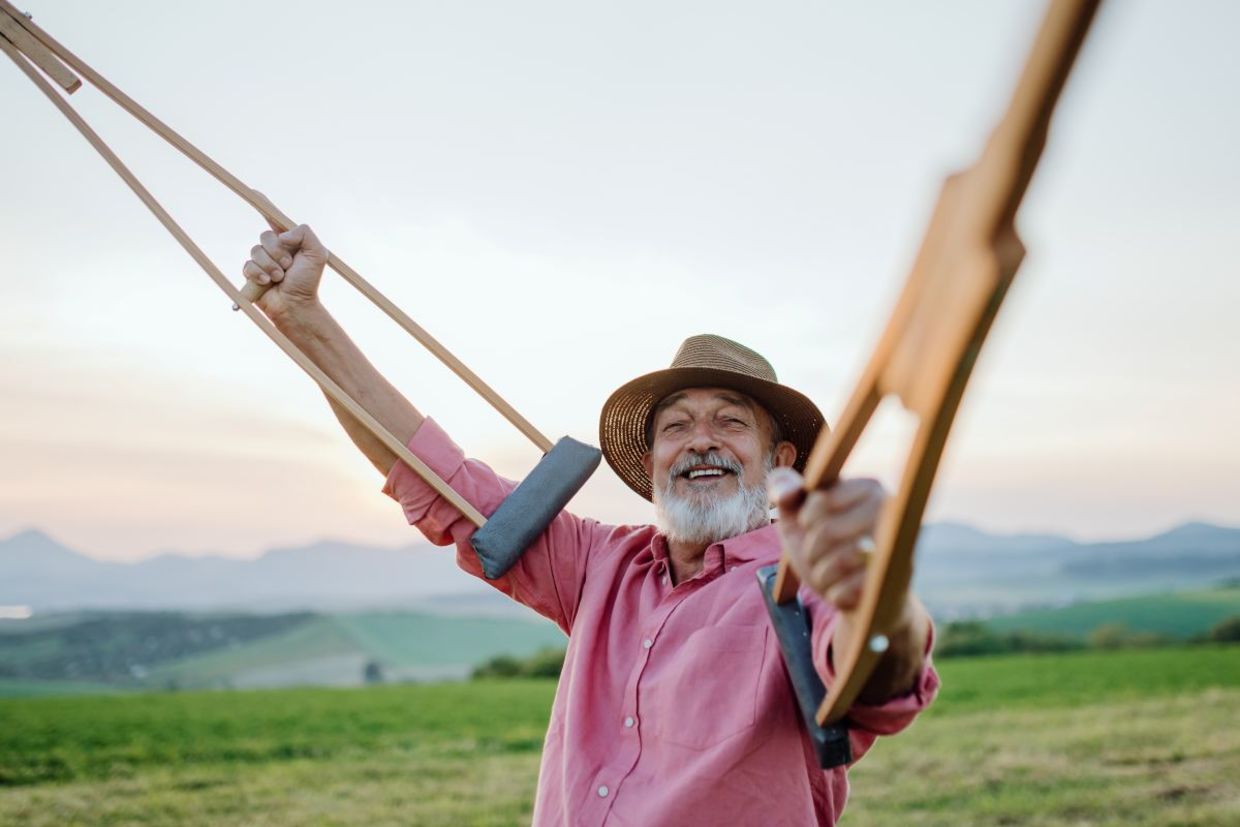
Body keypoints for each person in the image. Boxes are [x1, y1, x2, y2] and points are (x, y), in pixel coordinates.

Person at [241, 224, 938, 826]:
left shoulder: (800, 583)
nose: (701, 440)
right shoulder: (601, 564)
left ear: (778, 459)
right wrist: (303, 319)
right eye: (676, 426)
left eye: (730, 421)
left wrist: (876, 592)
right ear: (653, 458)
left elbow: (875, 676)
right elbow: (439, 480)